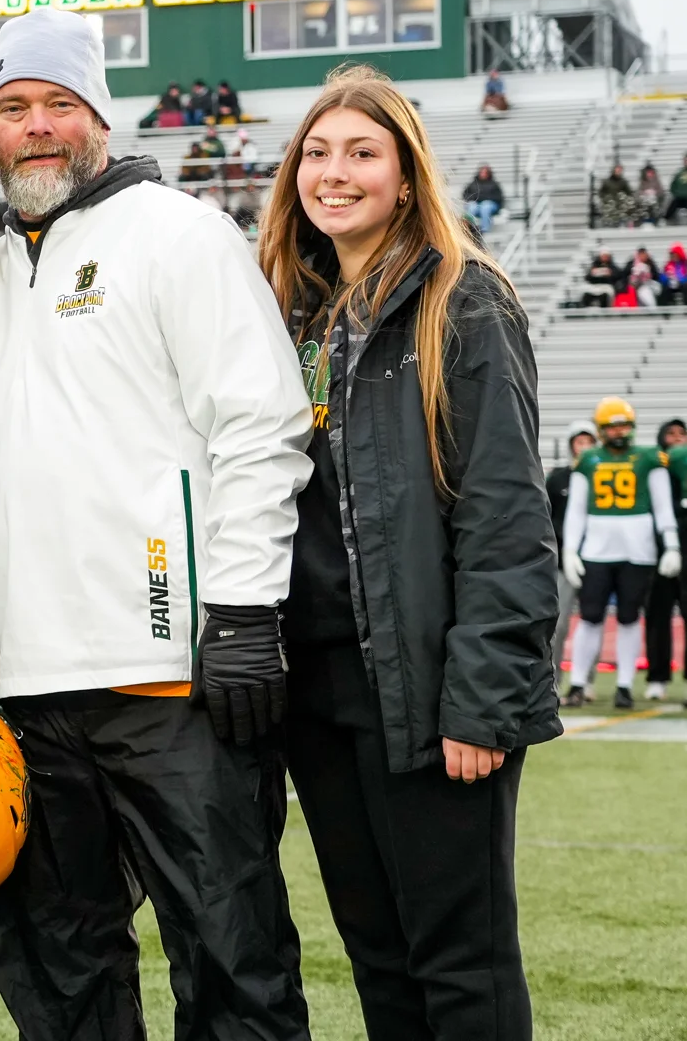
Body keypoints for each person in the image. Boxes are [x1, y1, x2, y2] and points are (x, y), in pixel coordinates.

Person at [0, 7, 314, 1041]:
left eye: (59, 104)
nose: (36, 126)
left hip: (167, 671)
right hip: (22, 680)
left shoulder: (179, 232)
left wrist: (246, 608)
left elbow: (262, 423)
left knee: (230, 957)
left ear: (100, 117)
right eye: (14, 106)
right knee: (60, 970)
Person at [257, 62, 559, 1039]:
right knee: (381, 964)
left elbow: (507, 516)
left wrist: (482, 697)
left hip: (429, 690)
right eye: (318, 151)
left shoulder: (465, 301)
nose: (334, 172)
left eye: (362, 152)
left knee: (461, 968)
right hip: (319, 694)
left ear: (406, 173)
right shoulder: (290, 313)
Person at [560, 398, 679, 710]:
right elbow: (576, 512)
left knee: (629, 618)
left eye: (623, 424)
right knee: (589, 617)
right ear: (601, 429)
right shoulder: (588, 460)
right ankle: (578, 682)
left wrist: (672, 544)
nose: (619, 431)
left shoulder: (650, 458)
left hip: (638, 550)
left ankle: (624, 685)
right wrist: (571, 549)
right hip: (597, 549)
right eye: (612, 425)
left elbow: (663, 505)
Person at [548, 423, 600, 683]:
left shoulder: (604, 475)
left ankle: (587, 681)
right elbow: (545, 516)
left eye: (588, 441)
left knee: (593, 620)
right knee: (557, 623)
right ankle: (553, 680)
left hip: (596, 556)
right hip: (563, 561)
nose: (584, 447)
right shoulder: (558, 478)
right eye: (579, 442)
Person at [647, 418, 687, 700]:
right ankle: (657, 677)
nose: (676, 438)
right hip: (657, 551)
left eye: (682, 434)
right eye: (670, 433)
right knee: (657, 616)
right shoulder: (652, 467)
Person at [463, 164, 505, 236]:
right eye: (482, 172)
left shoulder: (494, 184)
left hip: (489, 205)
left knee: (485, 206)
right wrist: (474, 198)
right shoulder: (473, 184)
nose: (483, 174)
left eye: (485, 172)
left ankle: (484, 230)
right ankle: (469, 229)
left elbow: (498, 198)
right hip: (476, 205)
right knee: (472, 206)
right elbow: (466, 194)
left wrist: (484, 198)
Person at [597, 163, 635, 228]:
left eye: (619, 171)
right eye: (617, 170)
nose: (618, 172)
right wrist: (606, 199)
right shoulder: (606, 182)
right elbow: (601, 193)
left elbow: (629, 193)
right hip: (609, 207)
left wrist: (625, 200)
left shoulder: (623, 182)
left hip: (620, 207)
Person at [665, 156, 687, 224]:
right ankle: (666, 219)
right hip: (679, 197)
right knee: (673, 204)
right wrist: (675, 193)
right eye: (685, 161)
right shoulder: (679, 173)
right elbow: (673, 185)